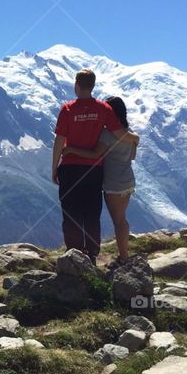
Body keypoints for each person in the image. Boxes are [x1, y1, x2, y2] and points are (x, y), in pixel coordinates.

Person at [51, 71, 138, 263]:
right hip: (93, 170)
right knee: (91, 212)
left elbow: (59, 140)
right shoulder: (103, 109)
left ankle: (74, 254)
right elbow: (120, 133)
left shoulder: (67, 109)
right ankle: (91, 254)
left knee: (71, 212)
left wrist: (54, 168)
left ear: (76, 85)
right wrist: (135, 138)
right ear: (93, 85)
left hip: (70, 168)